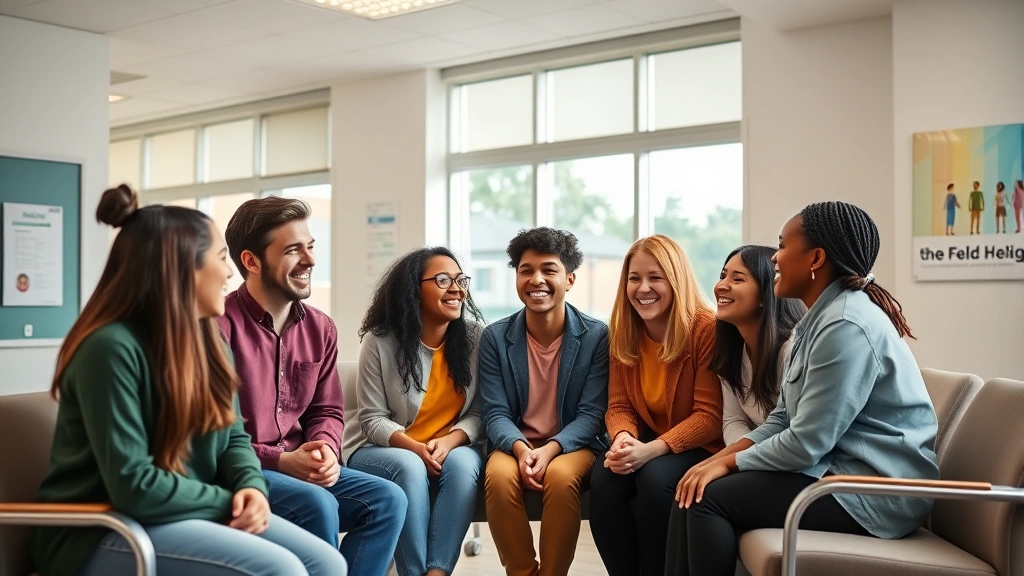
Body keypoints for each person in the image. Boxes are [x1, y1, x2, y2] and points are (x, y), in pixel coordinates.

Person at [31, 185, 347, 576]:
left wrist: (251, 485)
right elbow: (134, 485)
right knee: (283, 570)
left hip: (180, 514)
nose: (230, 271)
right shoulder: (109, 349)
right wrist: (230, 498)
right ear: (179, 268)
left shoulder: (206, 339)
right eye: (219, 258)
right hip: (101, 529)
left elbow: (232, 436)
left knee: (329, 564)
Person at [668, 201, 939, 576]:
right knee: (694, 487)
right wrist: (716, 461)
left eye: (782, 246)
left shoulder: (846, 325)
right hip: (836, 475)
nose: (775, 258)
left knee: (705, 499)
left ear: (815, 259)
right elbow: (782, 417)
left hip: (875, 496)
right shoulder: (816, 322)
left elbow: (807, 442)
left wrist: (729, 463)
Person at [217, 196, 404, 576]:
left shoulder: (321, 328)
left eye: (311, 246)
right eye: (292, 250)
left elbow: (327, 410)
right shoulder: (217, 326)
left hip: (301, 463)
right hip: (242, 468)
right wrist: (281, 460)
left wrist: (326, 449)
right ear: (251, 261)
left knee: (388, 499)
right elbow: (215, 433)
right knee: (316, 503)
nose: (310, 260)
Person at [343, 247, 485, 576]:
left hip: (451, 444)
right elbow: (371, 419)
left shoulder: (476, 338)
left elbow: (479, 413)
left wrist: (449, 442)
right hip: (383, 448)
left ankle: (437, 572)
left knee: (465, 465)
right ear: (413, 289)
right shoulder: (380, 341)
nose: (456, 288)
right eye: (442, 280)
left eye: (460, 280)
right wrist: (415, 448)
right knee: (409, 466)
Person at [589, 234, 723, 576]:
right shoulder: (623, 330)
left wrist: (650, 451)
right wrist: (621, 439)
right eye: (635, 278)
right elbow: (619, 405)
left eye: (655, 278)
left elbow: (709, 417)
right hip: (649, 439)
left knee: (654, 479)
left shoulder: (706, 329)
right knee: (604, 479)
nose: (643, 288)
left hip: (702, 445)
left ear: (675, 280)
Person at [479, 227, 609, 576]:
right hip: (514, 443)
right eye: (526, 270)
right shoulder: (495, 337)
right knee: (498, 476)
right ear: (517, 278)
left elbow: (592, 413)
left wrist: (551, 449)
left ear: (569, 279)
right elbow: (495, 411)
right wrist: (522, 450)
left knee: (562, 478)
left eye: (548, 270)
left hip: (573, 443)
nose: (536, 279)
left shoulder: (596, 335)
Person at [712, 245, 805, 446]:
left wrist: (738, 460)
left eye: (737, 279)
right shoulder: (732, 350)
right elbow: (733, 420)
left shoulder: (792, 351)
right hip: (757, 456)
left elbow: (794, 430)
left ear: (766, 294)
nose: (721, 286)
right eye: (723, 276)